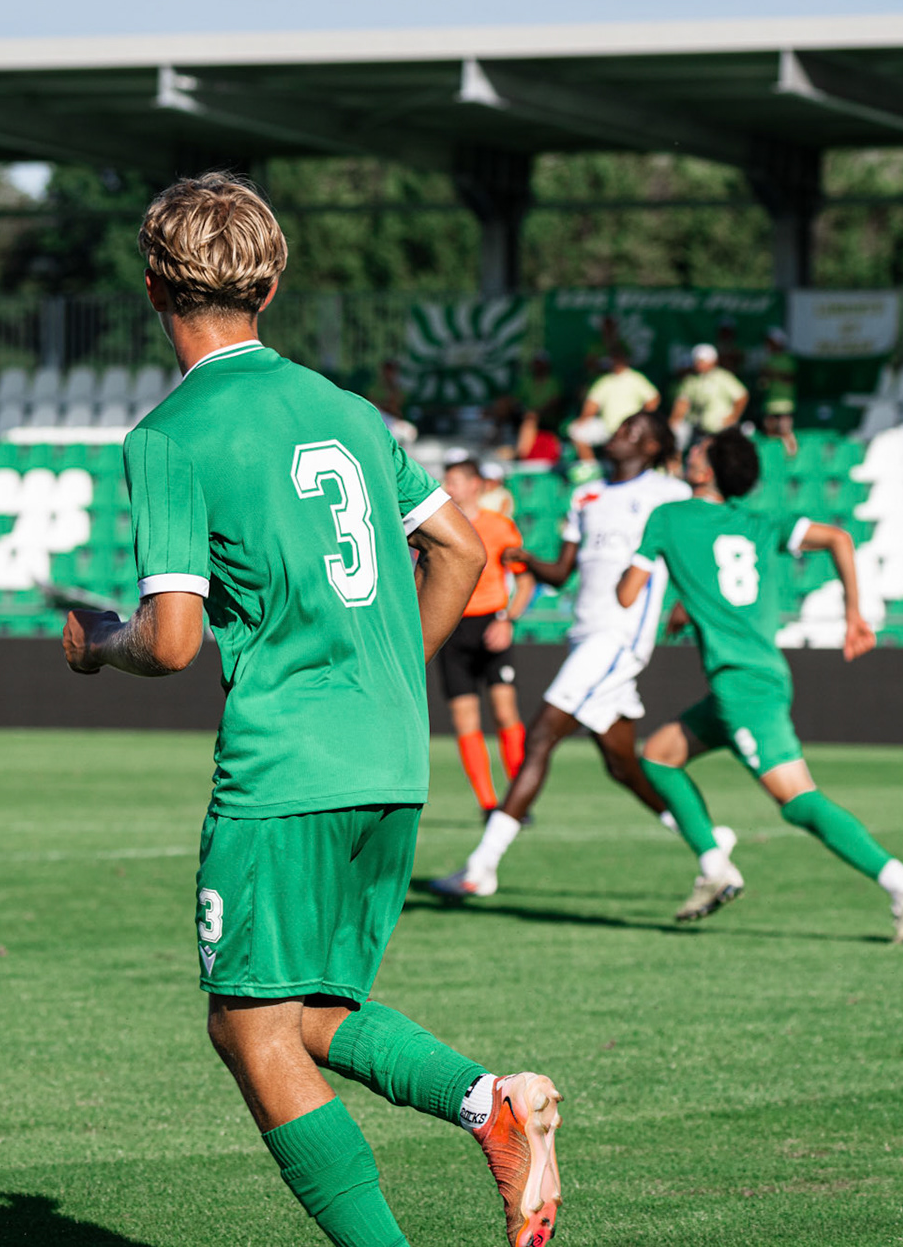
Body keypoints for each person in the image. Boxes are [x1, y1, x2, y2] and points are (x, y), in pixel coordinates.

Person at [61, 173, 563, 1247]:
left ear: (152, 287)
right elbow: (461, 550)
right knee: (308, 1010)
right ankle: (491, 1103)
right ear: (271, 286)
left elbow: (174, 639)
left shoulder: (169, 436)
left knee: (247, 1025)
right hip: (390, 757)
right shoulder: (348, 410)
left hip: (287, 766)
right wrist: (380, 671)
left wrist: (100, 644)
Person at [617, 428, 903, 932]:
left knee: (796, 800)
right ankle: (714, 867)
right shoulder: (759, 523)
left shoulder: (668, 517)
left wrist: (642, 571)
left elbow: (626, 595)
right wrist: (854, 614)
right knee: (658, 757)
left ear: (705, 471)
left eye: (698, 451)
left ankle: (901, 881)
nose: (689, 453)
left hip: (742, 687)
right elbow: (839, 538)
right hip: (753, 677)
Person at [431, 412, 693, 898]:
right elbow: (561, 573)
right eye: (620, 428)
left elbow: (693, 551)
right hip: (584, 635)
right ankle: (710, 845)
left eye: (632, 431)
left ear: (654, 447)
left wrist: (686, 604)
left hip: (619, 637)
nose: (618, 435)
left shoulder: (670, 493)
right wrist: (529, 561)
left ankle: (481, 866)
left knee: (540, 735)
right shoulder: (586, 495)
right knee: (623, 766)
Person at [440, 457, 538, 814]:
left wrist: (507, 620)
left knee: (504, 712)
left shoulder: (499, 527)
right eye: (446, 480)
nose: (447, 487)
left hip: (490, 625)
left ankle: (518, 802)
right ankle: (487, 803)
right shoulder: (436, 526)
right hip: (453, 627)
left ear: (475, 485)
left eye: (454, 481)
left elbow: (525, 582)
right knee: (464, 720)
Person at [569, 349, 659, 465]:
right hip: (607, 428)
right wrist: (583, 420)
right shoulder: (604, 381)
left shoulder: (635, 378)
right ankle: (591, 467)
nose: (616, 362)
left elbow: (653, 399)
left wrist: (641, 419)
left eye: (618, 358)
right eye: (613, 359)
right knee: (577, 430)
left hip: (631, 428)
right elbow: (591, 405)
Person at [670, 342, 749, 444]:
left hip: (721, 431)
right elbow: (682, 403)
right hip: (699, 431)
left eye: (702, 360)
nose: (699, 363)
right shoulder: (690, 381)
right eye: (697, 360)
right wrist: (674, 422)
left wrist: (733, 417)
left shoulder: (723, 377)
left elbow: (742, 396)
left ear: (713, 361)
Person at [754, 327, 799, 458]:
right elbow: (763, 384)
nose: (768, 345)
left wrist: (772, 373)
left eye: (771, 342)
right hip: (770, 404)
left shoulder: (788, 359)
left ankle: (792, 459)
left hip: (785, 405)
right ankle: (774, 458)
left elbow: (790, 378)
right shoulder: (768, 360)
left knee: (785, 431)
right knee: (770, 432)